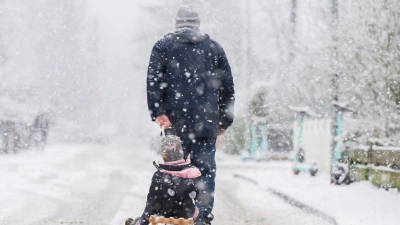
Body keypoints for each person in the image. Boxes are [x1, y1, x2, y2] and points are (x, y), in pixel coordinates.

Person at [146, 5, 235, 225]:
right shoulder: (214, 48)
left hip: (173, 126)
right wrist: (223, 120)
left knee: (173, 172)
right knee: (204, 174)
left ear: (177, 23)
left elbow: (153, 81)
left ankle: (174, 215)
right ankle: (202, 217)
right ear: (197, 24)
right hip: (206, 125)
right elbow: (227, 87)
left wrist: (159, 112)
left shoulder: (163, 47)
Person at [126, 135, 205, 225]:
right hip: (186, 212)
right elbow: (201, 197)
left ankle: (139, 223)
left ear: (163, 154)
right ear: (181, 151)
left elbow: (152, 200)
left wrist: (147, 214)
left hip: (163, 211)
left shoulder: (159, 175)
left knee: (149, 210)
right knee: (198, 213)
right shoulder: (193, 173)